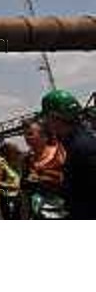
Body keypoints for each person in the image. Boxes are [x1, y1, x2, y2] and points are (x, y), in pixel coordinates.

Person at [42, 89, 96, 219]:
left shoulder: (81, 147)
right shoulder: (75, 142)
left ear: (55, 117)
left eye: (46, 117)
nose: (45, 122)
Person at [21, 117, 67, 219]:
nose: (26, 138)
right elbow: (24, 188)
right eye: (24, 134)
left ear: (44, 136)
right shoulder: (27, 159)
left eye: (30, 134)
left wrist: (41, 179)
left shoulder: (59, 153)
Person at [0, 142, 22, 220]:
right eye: (15, 152)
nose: (17, 155)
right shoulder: (0, 164)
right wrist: (12, 186)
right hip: (7, 198)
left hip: (17, 196)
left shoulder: (13, 164)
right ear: (9, 152)